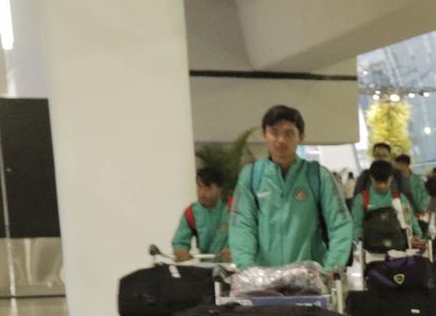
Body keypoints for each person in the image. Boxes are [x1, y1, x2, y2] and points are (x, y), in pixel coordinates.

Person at [228, 104, 353, 271]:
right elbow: (242, 225)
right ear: (264, 134)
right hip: (263, 278)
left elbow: (340, 224)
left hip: (309, 277)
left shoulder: (318, 177)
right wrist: (246, 268)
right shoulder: (251, 176)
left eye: (289, 133)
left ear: (301, 137)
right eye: (274, 132)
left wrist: (333, 267)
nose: (281, 140)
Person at [353, 160, 423, 246]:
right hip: (371, 249)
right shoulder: (362, 199)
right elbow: (356, 225)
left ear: (391, 178)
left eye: (386, 182)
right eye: (378, 182)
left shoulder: (400, 198)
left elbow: (410, 219)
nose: (382, 186)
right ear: (371, 178)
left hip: (399, 248)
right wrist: (359, 239)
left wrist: (418, 235)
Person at [172, 167, 231, 262]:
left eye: (207, 189)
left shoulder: (235, 209)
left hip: (233, 267)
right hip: (205, 267)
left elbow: (249, 238)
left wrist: (237, 252)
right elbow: (179, 242)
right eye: (199, 187)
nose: (202, 193)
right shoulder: (191, 213)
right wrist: (180, 251)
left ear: (220, 188)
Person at [354, 142, 419, 212]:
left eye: (384, 156)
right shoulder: (365, 175)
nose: (381, 158)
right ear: (373, 156)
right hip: (371, 215)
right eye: (378, 155)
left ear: (389, 157)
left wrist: (412, 213)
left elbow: (407, 196)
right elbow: (357, 198)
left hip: (396, 214)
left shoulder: (398, 175)